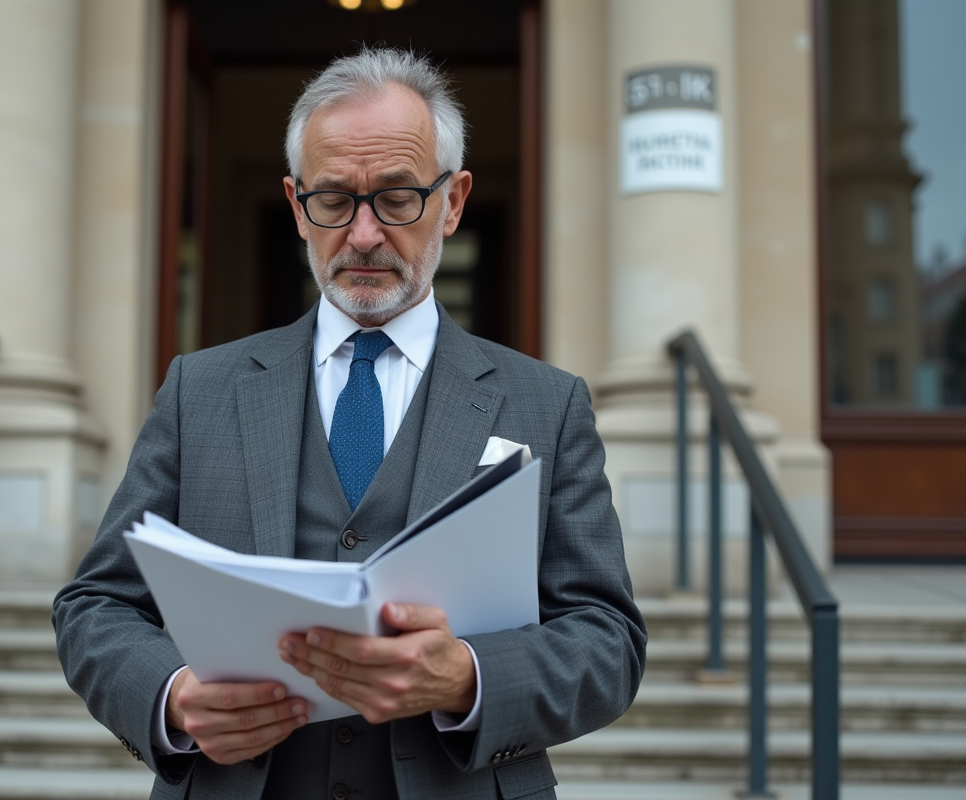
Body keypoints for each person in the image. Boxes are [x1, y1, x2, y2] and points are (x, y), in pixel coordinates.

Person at [53, 47, 646, 800]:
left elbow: (607, 639)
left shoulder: (547, 404)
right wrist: (172, 698)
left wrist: (468, 676)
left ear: (454, 201)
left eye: (398, 197)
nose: (363, 235)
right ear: (297, 203)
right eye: (333, 200)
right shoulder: (197, 391)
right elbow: (96, 606)